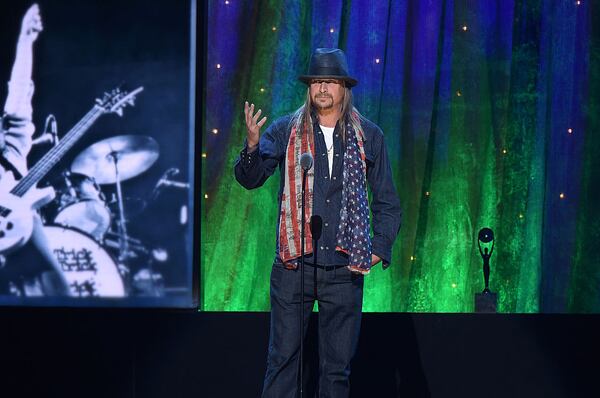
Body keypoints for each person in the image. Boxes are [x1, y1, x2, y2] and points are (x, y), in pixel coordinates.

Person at [235, 48, 401, 397]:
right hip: (294, 268)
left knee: (336, 371)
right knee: (282, 361)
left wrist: (378, 247)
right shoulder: (285, 131)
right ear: (309, 87)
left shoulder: (369, 136)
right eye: (316, 81)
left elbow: (387, 200)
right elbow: (251, 179)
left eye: (330, 81)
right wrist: (251, 148)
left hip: (344, 269)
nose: (322, 88)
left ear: (344, 87)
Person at [0, 4, 70, 296]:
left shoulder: (12, 144)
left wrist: (25, 40)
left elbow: (18, 89)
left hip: (20, 224)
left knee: (59, 287)